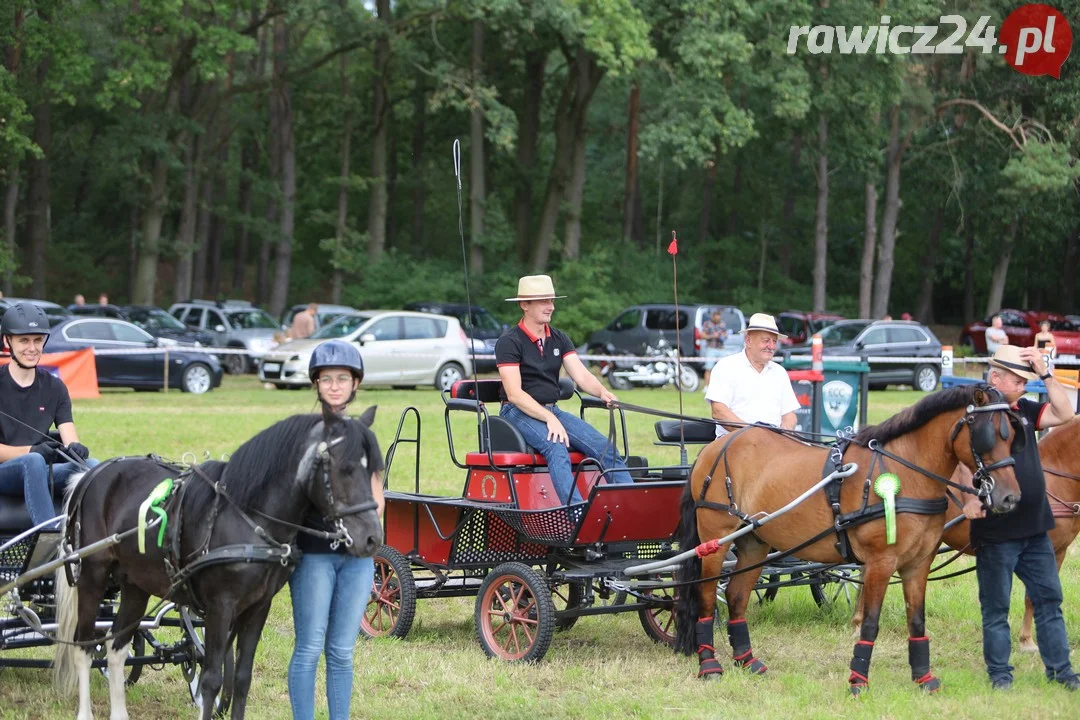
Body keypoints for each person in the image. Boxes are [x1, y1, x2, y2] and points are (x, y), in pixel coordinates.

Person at [960, 345, 1078, 691]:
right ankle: (1000, 676)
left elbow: (1066, 412)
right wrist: (969, 495)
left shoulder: (1024, 409)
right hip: (997, 531)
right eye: (1019, 380)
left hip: (1036, 529)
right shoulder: (976, 415)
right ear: (996, 377)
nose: (1026, 386)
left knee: (1049, 602)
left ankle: (1061, 672)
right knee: (996, 609)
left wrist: (1044, 372)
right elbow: (959, 458)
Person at [288, 340, 384, 720]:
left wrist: (373, 537)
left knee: (342, 651)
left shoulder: (363, 432)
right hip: (315, 553)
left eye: (342, 378)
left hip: (357, 557)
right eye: (326, 379)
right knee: (310, 647)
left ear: (355, 383)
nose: (334, 386)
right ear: (316, 384)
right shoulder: (302, 433)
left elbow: (376, 489)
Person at [495, 275, 633, 504]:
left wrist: (602, 392)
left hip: (552, 410)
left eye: (551, 300)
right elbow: (515, 394)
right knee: (557, 447)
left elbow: (581, 375)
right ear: (524, 305)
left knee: (604, 447)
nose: (551, 306)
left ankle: (631, 508)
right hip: (516, 412)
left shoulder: (559, 338)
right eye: (543, 301)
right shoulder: (509, 342)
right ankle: (577, 514)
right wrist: (549, 417)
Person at [0, 303, 100, 526]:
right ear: (7, 342)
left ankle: (96, 538)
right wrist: (31, 451)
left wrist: (76, 448)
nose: (32, 348)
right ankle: (49, 536)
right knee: (33, 461)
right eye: (24, 340)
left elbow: (69, 436)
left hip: (40, 469)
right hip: (7, 471)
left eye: (37, 340)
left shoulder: (55, 388)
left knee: (93, 465)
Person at [704, 312, 800, 438]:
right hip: (734, 443)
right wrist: (753, 435)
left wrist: (784, 433)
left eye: (774, 341)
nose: (771, 346)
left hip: (774, 446)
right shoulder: (726, 366)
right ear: (748, 340)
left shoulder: (779, 372)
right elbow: (719, 411)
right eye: (766, 341)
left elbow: (790, 415)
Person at [700, 309, 729, 386]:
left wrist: (723, 335)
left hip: (721, 348)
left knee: (723, 369)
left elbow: (726, 334)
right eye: (716, 317)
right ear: (713, 316)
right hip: (711, 348)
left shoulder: (722, 324)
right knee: (708, 368)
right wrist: (712, 336)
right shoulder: (707, 324)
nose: (718, 319)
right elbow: (702, 335)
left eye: (719, 317)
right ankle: (706, 386)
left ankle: (722, 386)